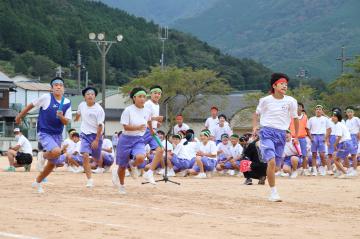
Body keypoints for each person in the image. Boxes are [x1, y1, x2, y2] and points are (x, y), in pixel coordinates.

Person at [15, 77, 72, 193]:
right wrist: (20, 116)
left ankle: (37, 181)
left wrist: (61, 117)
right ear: (52, 88)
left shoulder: (67, 102)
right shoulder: (46, 97)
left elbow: (67, 121)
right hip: (44, 132)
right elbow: (31, 105)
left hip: (57, 134)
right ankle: (44, 155)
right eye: (55, 84)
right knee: (56, 152)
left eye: (60, 85)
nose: (58, 86)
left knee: (52, 164)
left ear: (63, 88)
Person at [253, 73, 298, 202]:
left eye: (286, 84)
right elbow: (256, 114)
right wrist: (255, 126)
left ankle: (264, 169)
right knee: (271, 162)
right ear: (274, 85)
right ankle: (273, 192)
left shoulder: (291, 101)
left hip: (281, 134)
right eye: (282, 83)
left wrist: (294, 135)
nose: (285, 86)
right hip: (266, 132)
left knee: (276, 167)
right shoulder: (265, 100)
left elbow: (295, 118)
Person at [114, 87, 153, 194]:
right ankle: (122, 185)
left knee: (141, 157)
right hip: (125, 139)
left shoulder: (148, 110)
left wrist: (153, 128)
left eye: (144, 96)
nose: (142, 99)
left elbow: (149, 121)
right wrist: (137, 128)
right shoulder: (128, 110)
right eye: (140, 96)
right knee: (122, 166)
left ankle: (133, 165)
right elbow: (125, 127)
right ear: (134, 98)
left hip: (139, 139)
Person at [75, 86, 105, 188]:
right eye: (88, 94)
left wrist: (96, 140)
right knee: (85, 155)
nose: (90, 96)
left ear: (95, 96)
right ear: (84, 97)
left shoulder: (99, 109)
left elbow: (100, 125)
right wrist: (76, 118)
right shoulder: (82, 105)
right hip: (84, 134)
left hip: (96, 135)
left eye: (92, 94)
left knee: (96, 158)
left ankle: (105, 168)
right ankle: (89, 180)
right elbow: (78, 114)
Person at [142, 85, 165, 183]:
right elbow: (146, 118)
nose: (157, 95)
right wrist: (156, 119)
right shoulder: (148, 104)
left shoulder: (157, 105)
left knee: (160, 150)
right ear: (150, 94)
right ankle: (118, 172)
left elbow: (153, 119)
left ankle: (150, 172)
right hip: (145, 130)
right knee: (134, 153)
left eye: (159, 93)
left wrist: (157, 123)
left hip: (152, 131)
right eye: (155, 93)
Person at [307, 105, 331, 176]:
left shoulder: (325, 119)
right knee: (314, 154)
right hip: (314, 136)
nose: (318, 110)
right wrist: (311, 138)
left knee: (322, 154)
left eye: (320, 109)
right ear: (315, 111)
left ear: (322, 111)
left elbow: (329, 129)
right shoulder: (311, 119)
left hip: (321, 136)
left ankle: (323, 168)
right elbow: (307, 129)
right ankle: (314, 170)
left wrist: (325, 138)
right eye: (317, 109)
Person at [290, 102, 310, 175]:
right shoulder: (291, 116)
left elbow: (307, 128)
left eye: (300, 106)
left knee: (304, 154)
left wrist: (310, 137)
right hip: (293, 138)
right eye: (297, 106)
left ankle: (304, 169)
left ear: (302, 108)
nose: (298, 107)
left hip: (302, 138)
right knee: (293, 154)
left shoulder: (305, 117)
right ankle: (293, 169)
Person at [331, 111, 353, 178]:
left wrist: (335, 145)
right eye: (332, 116)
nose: (333, 117)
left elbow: (339, 136)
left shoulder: (338, 125)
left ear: (338, 118)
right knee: (336, 157)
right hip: (347, 143)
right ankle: (339, 172)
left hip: (345, 143)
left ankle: (345, 173)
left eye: (335, 116)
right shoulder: (340, 124)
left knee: (336, 159)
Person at [344, 106, 359, 176]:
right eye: (348, 112)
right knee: (346, 154)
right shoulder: (346, 121)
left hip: (354, 136)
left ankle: (355, 170)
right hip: (348, 138)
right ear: (346, 113)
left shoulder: (356, 119)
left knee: (353, 154)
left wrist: (358, 134)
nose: (349, 113)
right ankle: (349, 168)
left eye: (351, 112)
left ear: (353, 113)